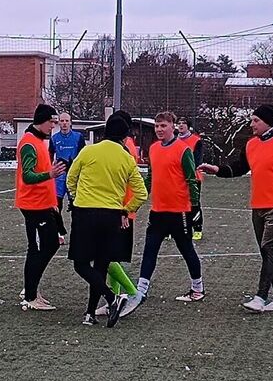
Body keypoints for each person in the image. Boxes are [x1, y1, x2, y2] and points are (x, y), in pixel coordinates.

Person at [200, 104, 273, 314]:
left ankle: (260, 297)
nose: (252, 124)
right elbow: (240, 168)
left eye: (256, 121)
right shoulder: (251, 145)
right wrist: (217, 170)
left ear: (267, 122)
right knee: (267, 251)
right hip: (258, 205)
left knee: (268, 248)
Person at [66, 113, 147, 328]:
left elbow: (71, 178)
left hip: (85, 213)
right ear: (124, 136)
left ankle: (111, 298)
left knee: (81, 264)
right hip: (111, 216)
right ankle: (90, 313)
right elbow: (141, 193)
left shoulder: (89, 151)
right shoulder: (126, 158)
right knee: (101, 264)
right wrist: (126, 210)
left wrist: (76, 197)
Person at [122, 111, 204, 318]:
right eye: (157, 126)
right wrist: (139, 198)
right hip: (157, 211)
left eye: (163, 126)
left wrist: (194, 208)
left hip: (179, 212)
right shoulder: (153, 148)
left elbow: (192, 179)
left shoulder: (183, 150)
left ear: (172, 127)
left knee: (186, 249)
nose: (159, 129)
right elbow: (150, 178)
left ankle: (197, 288)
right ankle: (141, 290)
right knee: (150, 249)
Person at [16, 104, 66, 311]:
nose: (53, 126)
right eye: (51, 122)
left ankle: (31, 288)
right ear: (41, 121)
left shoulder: (39, 141)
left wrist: (52, 203)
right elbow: (28, 176)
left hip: (43, 203)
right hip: (33, 205)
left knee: (46, 245)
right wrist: (50, 174)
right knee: (41, 247)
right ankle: (30, 294)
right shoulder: (29, 143)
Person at [49, 112, 85, 213]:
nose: (64, 123)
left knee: (76, 205)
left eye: (67, 121)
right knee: (57, 204)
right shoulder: (54, 138)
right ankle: (57, 223)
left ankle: (76, 223)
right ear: (58, 123)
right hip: (60, 174)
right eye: (62, 121)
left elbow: (84, 156)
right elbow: (49, 157)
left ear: (70, 123)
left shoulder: (78, 137)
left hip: (74, 174)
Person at [176, 115, 206, 241]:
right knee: (175, 203)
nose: (181, 125)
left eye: (183, 123)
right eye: (179, 123)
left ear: (188, 126)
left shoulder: (196, 141)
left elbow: (197, 161)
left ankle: (197, 228)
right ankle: (173, 229)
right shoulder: (173, 140)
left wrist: (185, 169)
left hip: (193, 178)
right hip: (176, 178)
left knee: (194, 203)